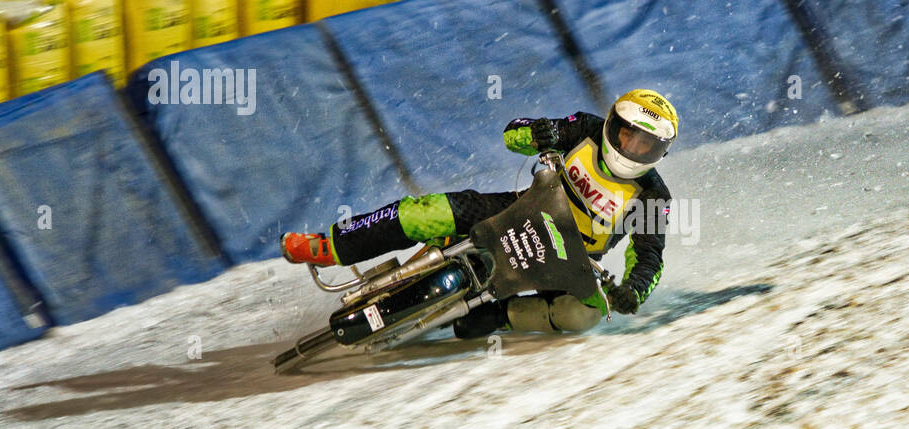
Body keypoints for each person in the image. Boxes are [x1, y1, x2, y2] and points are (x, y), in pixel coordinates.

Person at [280, 89, 677, 339]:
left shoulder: (653, 196)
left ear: (660, 153)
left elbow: (648, 257)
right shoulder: (585, 128)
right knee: (427, 211)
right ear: (612, 124)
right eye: (628, 135)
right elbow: (513, 132)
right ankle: (330, 245)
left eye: (647, 146)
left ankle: (502, 317)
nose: (632, 149)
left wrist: (633, 290)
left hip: (570, 260)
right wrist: (538, 134)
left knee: (587, 314)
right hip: (518, 211)